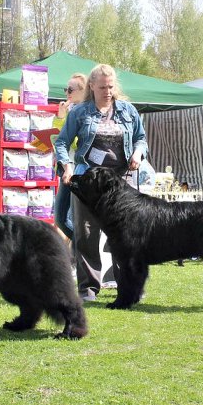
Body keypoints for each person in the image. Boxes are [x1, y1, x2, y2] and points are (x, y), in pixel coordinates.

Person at [54, 64, 149, 302]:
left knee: (125, 235)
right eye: (102, 87)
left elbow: (140, 139)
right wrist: (67, 164)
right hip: (89, 180)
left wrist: (138, 154)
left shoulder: (128, 111)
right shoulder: (80, 112)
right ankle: (88, 289)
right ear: (92, 87)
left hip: (122, 180)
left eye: (110, 86)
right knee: (86, 233)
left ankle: (127, 284)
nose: (108, 91)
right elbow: (62, 142)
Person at [52, 73, 87, 240]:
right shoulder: (70, 110)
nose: (67, 93)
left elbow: (76, 143)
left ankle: (82, 253)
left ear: (83, 90)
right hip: (66, 170)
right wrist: (60, 116)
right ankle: (82, 249)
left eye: (70, 89)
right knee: (60, 218)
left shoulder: (88, 114)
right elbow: (58, 139)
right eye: (66, 89)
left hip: (81, 171)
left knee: (75, 218)